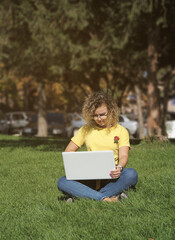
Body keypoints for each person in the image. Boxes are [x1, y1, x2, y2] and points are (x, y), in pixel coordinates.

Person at [57, 92, 138, 202]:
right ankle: (107, 199)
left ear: (111, 111)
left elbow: (123, 155)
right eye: (95, 115)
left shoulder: (121, 131)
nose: (99, 119)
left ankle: (84, 196)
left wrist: (119, 168)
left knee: (131, 174)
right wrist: (79, 164)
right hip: (88, 175)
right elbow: (69, 151)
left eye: (103, 114)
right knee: (62, 181)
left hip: (111, 176)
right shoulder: (85, 130)